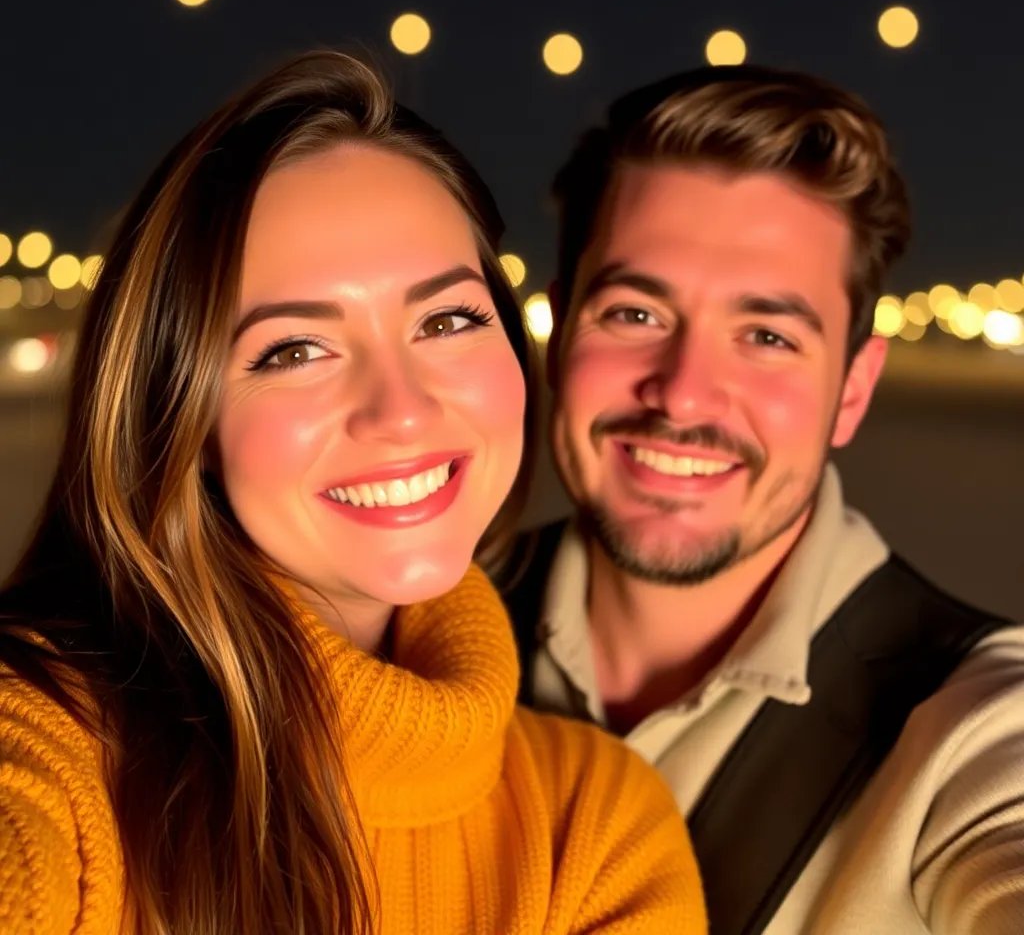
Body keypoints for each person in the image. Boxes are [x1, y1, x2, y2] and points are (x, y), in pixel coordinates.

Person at [0, 52, 706, 935]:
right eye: (295, 351)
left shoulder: (595, 826)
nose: (401, 411)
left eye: (446, 320)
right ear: (181, 420)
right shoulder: (46, 744)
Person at [502, 64, 1024, 934]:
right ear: (559, 339)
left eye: (767, 336)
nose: (683, 395)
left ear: (852, 390)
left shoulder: (966, 724)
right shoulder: (406, 629)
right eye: (635, 314)